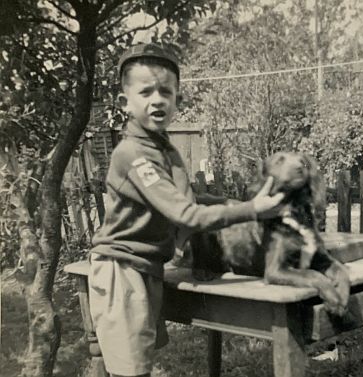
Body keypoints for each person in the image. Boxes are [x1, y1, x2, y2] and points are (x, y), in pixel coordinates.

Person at [87, 43, 285, 377]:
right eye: (146, 91)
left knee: (138, 363)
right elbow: (185, 215)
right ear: (125, 103)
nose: (157, 99)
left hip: (146, 268)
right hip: (121, 270)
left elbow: (191, 203)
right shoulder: (132, 153)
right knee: (129, 371)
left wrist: (236, 206)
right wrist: (252, 210)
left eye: (166, 91)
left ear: (178, 99)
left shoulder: (166, 151)